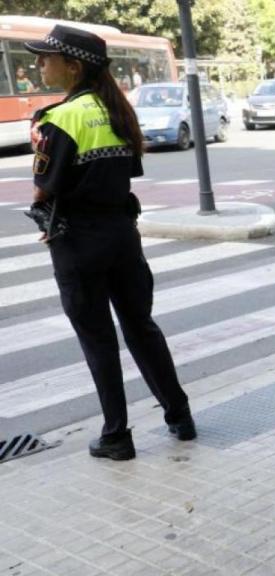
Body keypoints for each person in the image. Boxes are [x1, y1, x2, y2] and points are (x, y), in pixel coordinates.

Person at [26, 24, 195, 461]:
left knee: (98, 338)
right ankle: (180, 415)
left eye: (47, 57)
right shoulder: (118, 111)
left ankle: (117, 436)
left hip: (79, 242)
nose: (39, 63)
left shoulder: (60, 118)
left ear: (73, 65)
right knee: (141, 326)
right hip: (123, 236)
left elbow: (45, 184)